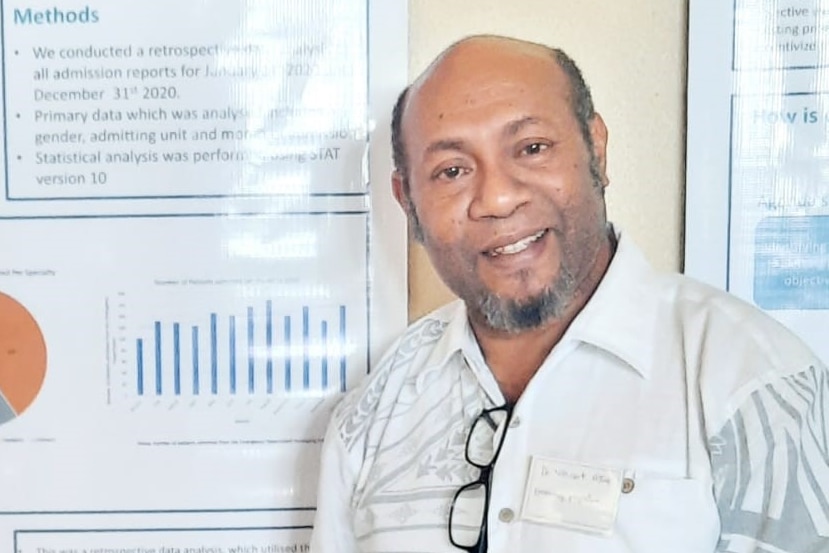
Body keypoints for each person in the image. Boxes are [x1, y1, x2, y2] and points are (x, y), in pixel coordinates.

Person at [309, 34, 829, 552]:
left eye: (532, 148)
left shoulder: (753, 382)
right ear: (409, 203)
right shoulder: (378, 408)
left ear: (595, 149)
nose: (498, 197)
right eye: (452, 171)